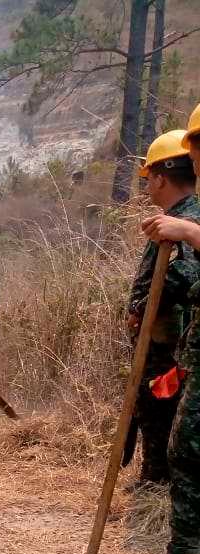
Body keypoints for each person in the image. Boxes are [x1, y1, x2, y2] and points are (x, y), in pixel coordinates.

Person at [136, 105, 200, 554]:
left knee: (188, 455)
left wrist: (189, 235)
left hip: (173, 356)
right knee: (183, 453)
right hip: (186, 357)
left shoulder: (192, 220)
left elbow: (183, 286)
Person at [127, 130, 200, 490]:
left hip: (169, 342)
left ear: (160, 177)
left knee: (160, 410)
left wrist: (142, 308)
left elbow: (185, 274)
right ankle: (152, 479)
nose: (147, 187)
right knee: (152, 409)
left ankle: (155, 485)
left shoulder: (187, 222)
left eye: (149, 179)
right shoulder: (176, 219)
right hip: (162, 339)